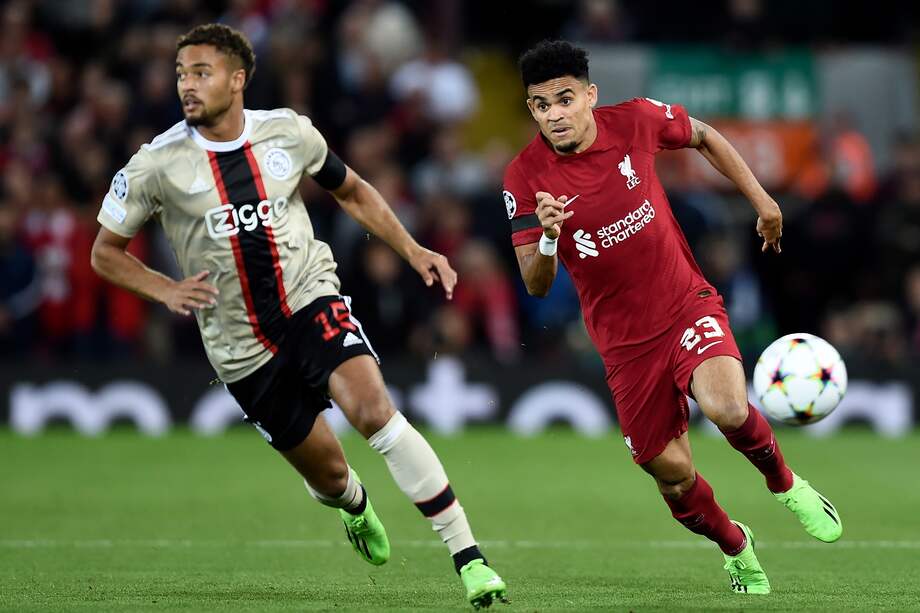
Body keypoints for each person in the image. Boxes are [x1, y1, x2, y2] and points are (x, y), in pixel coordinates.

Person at [90, 24, 506, 610]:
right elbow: (104, 251)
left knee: (373, 411)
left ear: (238, 79)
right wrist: (163, 289)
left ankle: (471, 559)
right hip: (238, 346)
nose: (187, 84)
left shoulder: (288, 131)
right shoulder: (155, 164)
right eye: (182, 72)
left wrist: (412, 250)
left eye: (201, 72)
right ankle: (355, 506)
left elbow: (354, 191)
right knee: (331, 477)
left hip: (310, 300)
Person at [503, 40, 841, 595]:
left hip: (685, 303)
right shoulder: (524, 177)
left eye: (564, 99)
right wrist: (546, 236)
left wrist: (763, 202)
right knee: (673, 473)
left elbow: (705, 136)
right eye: (540, 105)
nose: (554, 114)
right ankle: (736, 545)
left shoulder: (635, 120)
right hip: (624, 344)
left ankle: (787, 485)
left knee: (728, 407)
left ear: (590, 96)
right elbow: (536, 286)